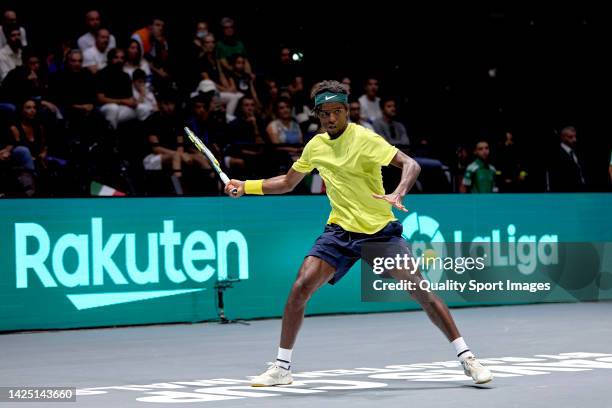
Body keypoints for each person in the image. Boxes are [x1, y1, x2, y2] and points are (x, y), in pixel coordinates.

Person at [224, 80, 493, 386]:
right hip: (339, 232)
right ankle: (282, 368)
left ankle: (468, 358)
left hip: (379, 233)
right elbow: (287, 182)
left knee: (421, 291)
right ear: (317, 114)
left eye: (336, 111)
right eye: (324, 113)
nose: (331, 118)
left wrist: (399, 192)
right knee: (300, 287)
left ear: (347, 111)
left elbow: (410, 164)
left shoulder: (365, 139)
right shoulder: (316, 146)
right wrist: (245, 186)